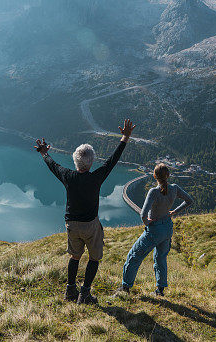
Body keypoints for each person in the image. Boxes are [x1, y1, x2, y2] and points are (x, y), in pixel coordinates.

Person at [34, 118, 135, 305]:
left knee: (74, 256)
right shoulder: (96, 177)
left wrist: (44, 153)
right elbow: (113, 160)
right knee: (94, 258)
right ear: (92, 162)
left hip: (71, 225)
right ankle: (85, 294)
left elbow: (52, 165)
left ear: (75, 161)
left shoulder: (67, 176)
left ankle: (70, 290)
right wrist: (125, 138)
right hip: (90, 225)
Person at [119, 163, 193, 296]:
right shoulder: (174, 188)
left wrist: (148, 224)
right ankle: (160, 290)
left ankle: (125, 288)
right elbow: (189, 200)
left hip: (155, 229)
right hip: (167, 228)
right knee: (160, 259)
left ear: (154, 176)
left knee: (134, 256)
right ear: (168, 175)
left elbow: (143, 214)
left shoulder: (154, 192)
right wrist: (174, 212)